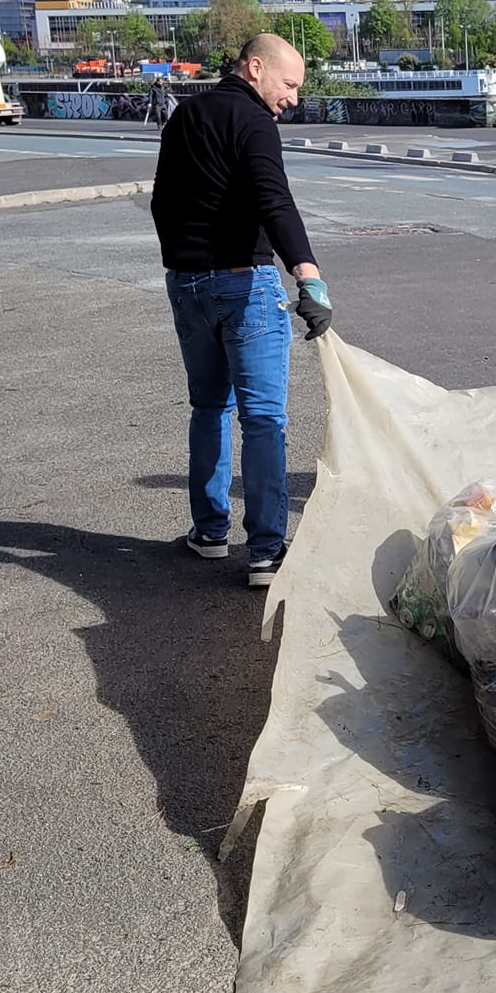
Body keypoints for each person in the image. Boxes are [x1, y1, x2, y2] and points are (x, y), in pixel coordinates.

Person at [151, 32, 333, 589]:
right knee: (263, 420)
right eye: (289, 84)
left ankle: (209, 532)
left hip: (187, 286)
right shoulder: (255, 123)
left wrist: (184, 262)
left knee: (208, 408)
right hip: (243, 284)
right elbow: (272, 198)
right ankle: (265, 552)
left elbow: (161, 200)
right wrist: (309, 275)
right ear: (255, 68)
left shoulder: (184, 117)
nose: (294, 98)